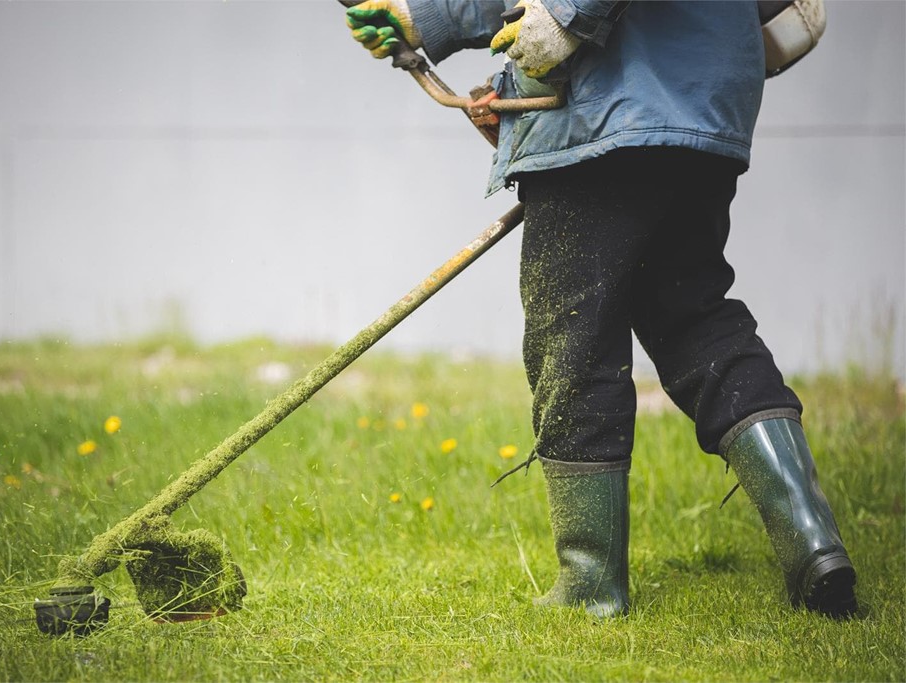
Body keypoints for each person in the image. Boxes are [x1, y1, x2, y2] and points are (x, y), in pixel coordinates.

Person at [345, 0, 858, 618]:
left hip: (605, 105)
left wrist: (566, 15)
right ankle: (813, 541)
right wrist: (422, 20)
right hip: (701, 104)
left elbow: (563, 14)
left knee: (574, 340)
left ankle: (590, 586)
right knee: (695, 317)